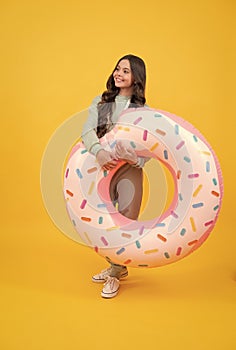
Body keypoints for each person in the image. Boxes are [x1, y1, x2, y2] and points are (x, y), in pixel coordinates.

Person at [81, 54, 148, 298]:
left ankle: (115, 270)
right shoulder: (101, 102)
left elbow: (151, 147)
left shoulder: (144, 111)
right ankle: (116, 267)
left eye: (126, 71)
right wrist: (98, 152)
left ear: (136, 78)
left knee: (125, 220)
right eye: (118, 69)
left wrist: (135, 159)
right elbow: (87, 131)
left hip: (129, 171)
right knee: (103, 220)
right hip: (103, 168)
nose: (118, 74)